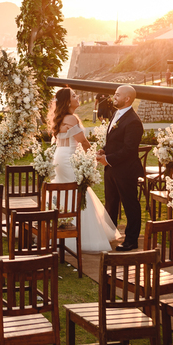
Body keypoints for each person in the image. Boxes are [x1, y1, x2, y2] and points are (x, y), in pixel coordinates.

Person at [47, 87, 119, 254]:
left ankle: (64, 229)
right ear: (67, 101)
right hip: (68, 159)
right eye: (74, 95)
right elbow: (83, 142)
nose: (77, 97)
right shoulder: (71, 118)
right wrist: (96, 156)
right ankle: (81, 235)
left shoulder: (65, 117)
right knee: (78, 191)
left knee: (67, 191)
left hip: (62, 156)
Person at [97, 84, 144, 251]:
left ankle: (131, 241)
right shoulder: (116, 114)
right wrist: (104, 149)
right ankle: (109, 236)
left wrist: (107, 159)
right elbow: (115, 141)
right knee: (110, 203)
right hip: (111, 169)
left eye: (117, 95)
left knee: (130, 204)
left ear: (127, 99)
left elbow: (129, 150)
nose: (113, 97)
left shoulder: (133, 121)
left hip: (126, 171)